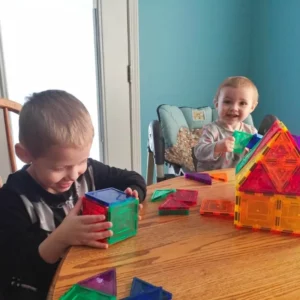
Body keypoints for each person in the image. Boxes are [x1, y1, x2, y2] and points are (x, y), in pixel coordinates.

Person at [0, 90, 146, 300]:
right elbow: (17, 267)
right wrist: (60, 238)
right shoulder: (12, 198)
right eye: (59, 168)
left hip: (87, 273)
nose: (74, 174)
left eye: (81, 161)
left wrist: (132, 195)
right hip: (36, 286)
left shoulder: (88, 172)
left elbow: (133, 178)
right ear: (26, 155)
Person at [194, 76, 258, 172]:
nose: (234, 108)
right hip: (210, 180)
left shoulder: (251, 132)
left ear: (252, 107)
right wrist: (217, 147)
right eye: (227, 102)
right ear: (217, 104)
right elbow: (198, 152)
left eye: (242, 103)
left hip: (236, 180)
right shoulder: (211, 130)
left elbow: (258, 159)